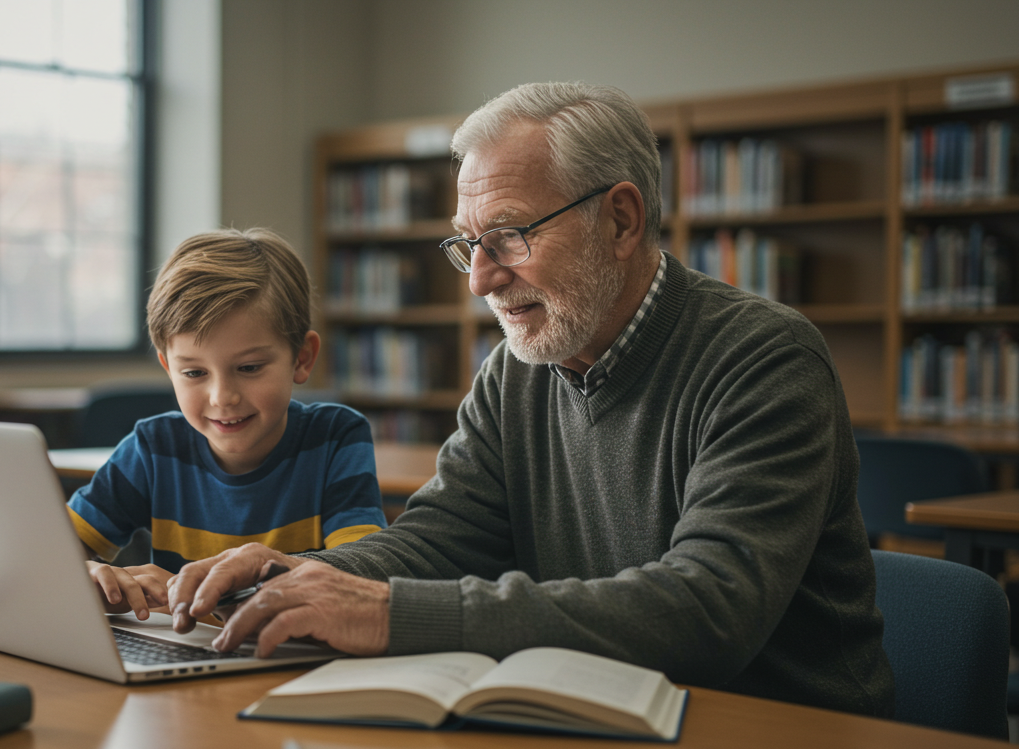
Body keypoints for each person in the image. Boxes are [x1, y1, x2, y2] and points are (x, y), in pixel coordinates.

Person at [167, 83, 895, 717]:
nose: (479, 280)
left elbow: (708, 611)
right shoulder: (516, 372)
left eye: (509, 236)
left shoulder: (764, 360)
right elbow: (440, 540)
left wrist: (391, 614)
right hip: (599, 719)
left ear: (620, 220)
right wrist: (292, 575)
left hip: (780, 733)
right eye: (467, 244)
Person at [68, 228, 387, 620]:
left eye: (249, 368)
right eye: (194, 373)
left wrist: (199, 592)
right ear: (169, 368)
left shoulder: (335, 438)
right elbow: (50, 555)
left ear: (302, 358)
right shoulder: (153, 447)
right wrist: (86, 575)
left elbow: (361, 574)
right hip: (181, 649)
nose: (222, 397)